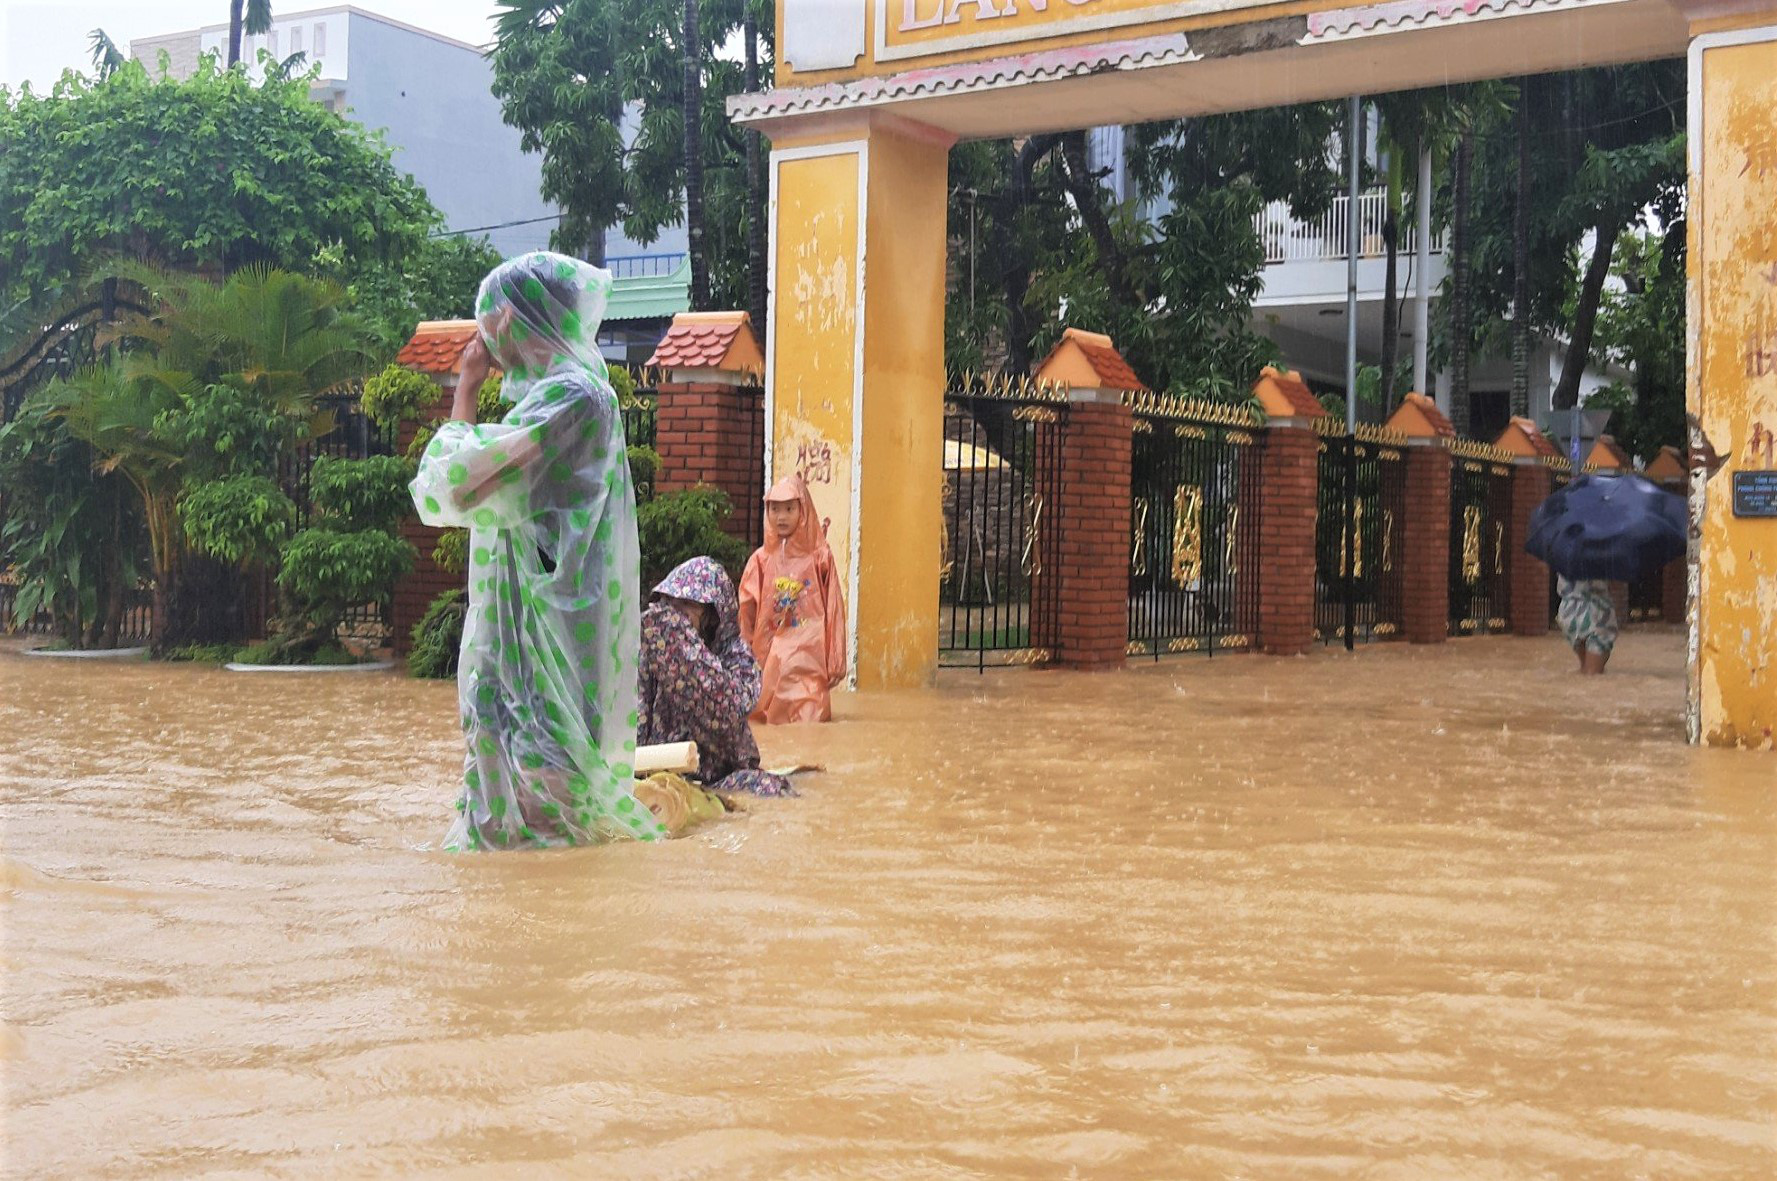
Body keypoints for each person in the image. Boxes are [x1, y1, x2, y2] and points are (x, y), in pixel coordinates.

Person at [410, 251, 667, 850]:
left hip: (554, 621)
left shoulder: (576, 399)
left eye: (493, 315)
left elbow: (456, 482)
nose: (486, 331)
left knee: (547, 783)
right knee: (503, 753)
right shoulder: (553, 396)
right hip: (529, 618)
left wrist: (467, 386)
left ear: (526, 315)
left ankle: (554, 917)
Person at [638, 557, 795, 797]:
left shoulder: (738, 658)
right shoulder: (652, 644)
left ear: (714, 615)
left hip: (716, 777)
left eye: (691, 605)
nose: (680, 614)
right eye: (673, 603)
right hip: (656, 770)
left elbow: (728, 712)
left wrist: (685, 657)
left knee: (771, 790)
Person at [738, 475, 847, 724]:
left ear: (803, 510)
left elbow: (833, 608)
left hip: (809, 658)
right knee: (766, 722)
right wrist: (745, 655)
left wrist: (836, 660)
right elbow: (747, 609)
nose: (781, 516)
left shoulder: (820, 557)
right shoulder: (761, 560)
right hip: (771, 657)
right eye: (775, 509)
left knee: (811, 723)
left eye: (789, 509)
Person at [1557, 575, 1619, 675]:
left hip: (1568, 608)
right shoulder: (1602, 559)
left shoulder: (1566, 560)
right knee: (1592, 675)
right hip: (1597, 609)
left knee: (1585, 669)